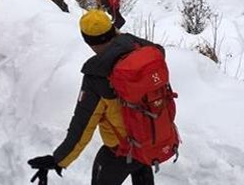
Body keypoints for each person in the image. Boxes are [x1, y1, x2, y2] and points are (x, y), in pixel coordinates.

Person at [27, 10, 178, 185]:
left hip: (120, 152)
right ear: (113, 29)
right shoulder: (147, 52)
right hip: (149, 142)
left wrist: (57, 160)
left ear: (87, 41)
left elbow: (82, 128)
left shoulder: (97, 78)